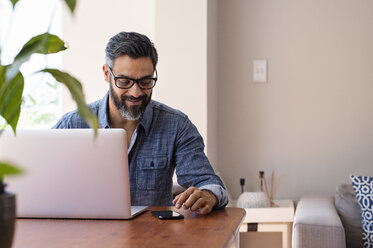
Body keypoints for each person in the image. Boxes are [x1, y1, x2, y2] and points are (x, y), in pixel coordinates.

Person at [53, 31, 228, 214]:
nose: (136, 92)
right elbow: (43, 183)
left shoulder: (177, 125)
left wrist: (209, 194)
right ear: (107, 74)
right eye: (125, 81)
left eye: (145, 81)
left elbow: (209, 183)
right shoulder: (72, 125)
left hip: (152, 238)